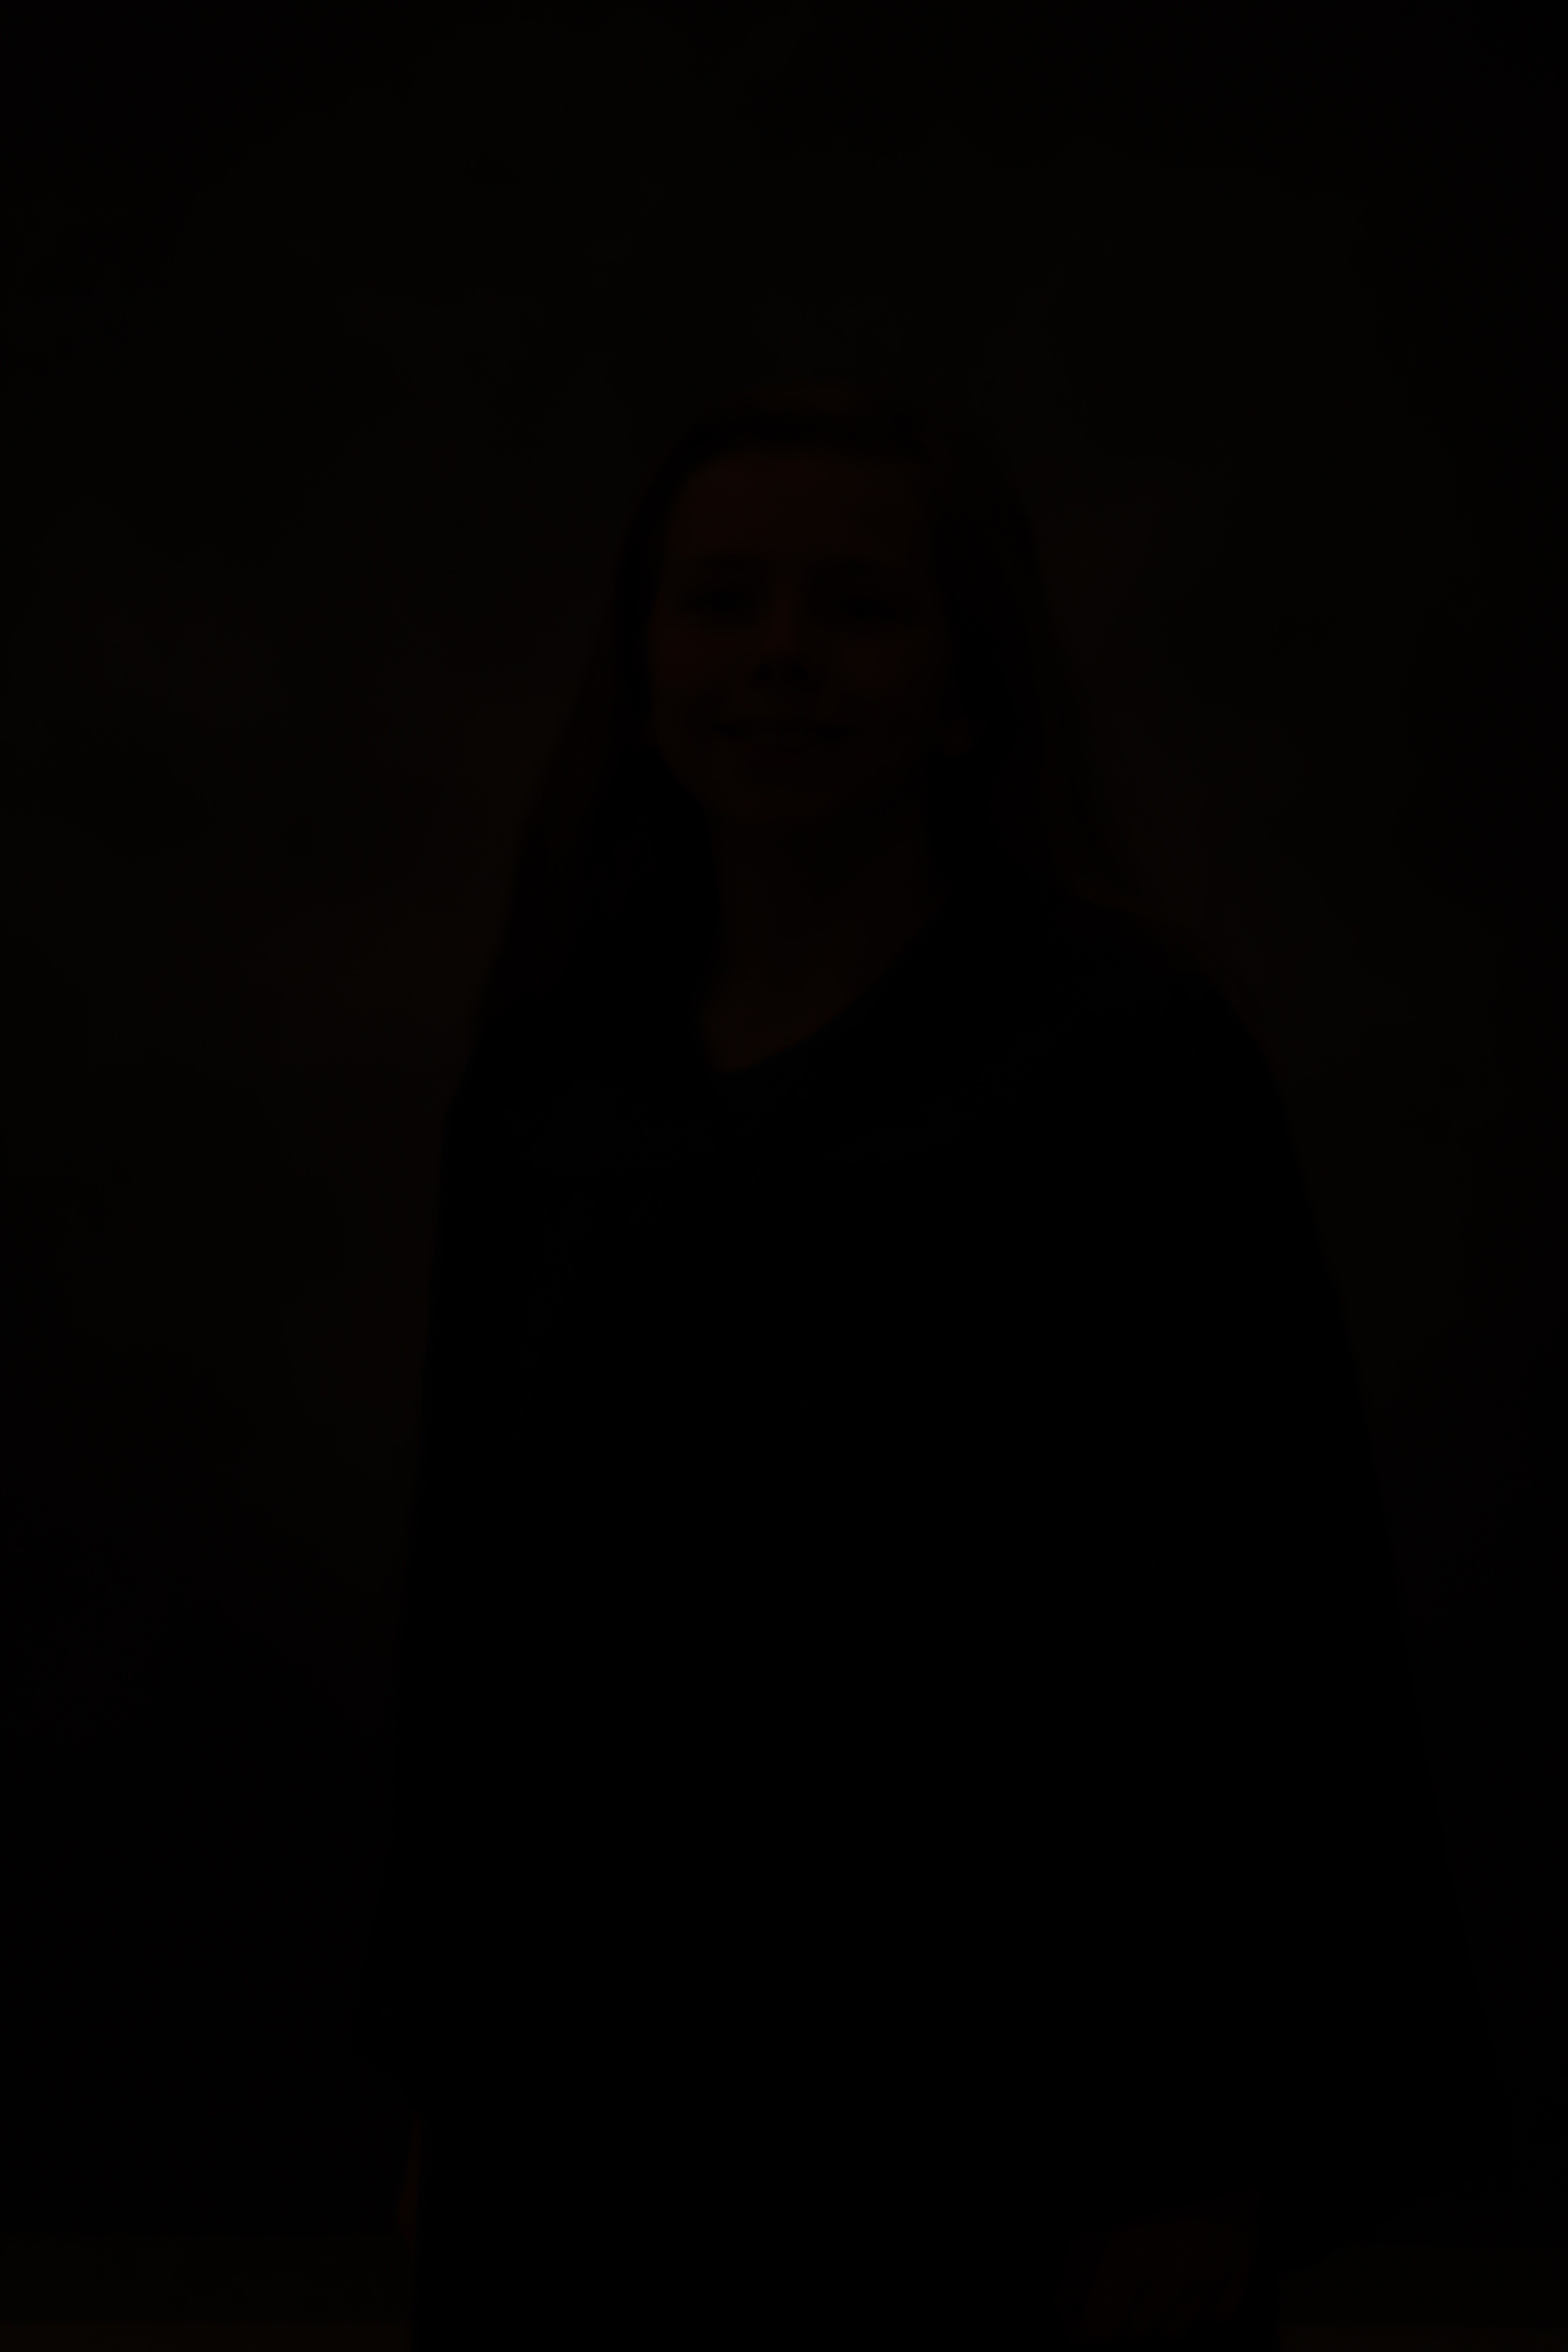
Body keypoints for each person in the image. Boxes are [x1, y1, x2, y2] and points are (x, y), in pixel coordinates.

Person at [354, 378, 1502, 2349]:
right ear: (646, 663)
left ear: (968, 688)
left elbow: (1260, 1622)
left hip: (1002, 2112)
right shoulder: (557, 1077)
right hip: (589, 2102)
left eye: (858, 605)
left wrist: (1197, 2149)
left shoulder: (1120, 1061)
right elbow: (479, 1623)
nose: (779, 652)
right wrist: (445, 2075)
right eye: (723, 599)